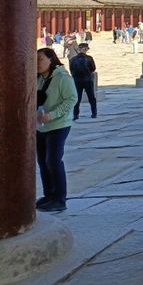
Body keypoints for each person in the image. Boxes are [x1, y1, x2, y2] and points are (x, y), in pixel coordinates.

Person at [36, 48, 78, 212]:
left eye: (40, 59)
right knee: (42, 162)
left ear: (51, 59)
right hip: (40, 126)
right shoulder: (38, 78)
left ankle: (60, 198)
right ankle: (49, 195)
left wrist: (53, 115)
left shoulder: (62, 77)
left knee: (53, 160)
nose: (37, 63)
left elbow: (71, 99)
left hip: (58, 125)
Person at [70, 42, 97, 120]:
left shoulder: (73, 59)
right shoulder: (89, 58)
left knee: (77, 98)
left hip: (77, 80)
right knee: (91, 97)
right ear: (85, 49)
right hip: (87, 79)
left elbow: (71, 70)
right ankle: (94, 113)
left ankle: (75, 115)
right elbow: (93, 68)